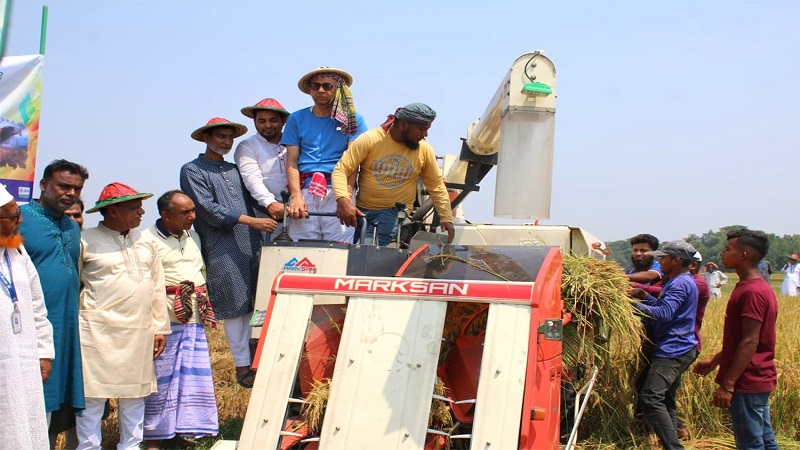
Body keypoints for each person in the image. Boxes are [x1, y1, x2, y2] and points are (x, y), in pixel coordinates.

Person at [180, 117, 277, 389]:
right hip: (221, 244)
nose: (225, 142)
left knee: (255, 303)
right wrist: (252, 221)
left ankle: (256, 360)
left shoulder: (235, 170)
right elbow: (208, 209)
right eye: (220, 137)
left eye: (228, 137)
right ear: (206, 139)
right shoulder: (193, 170)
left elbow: (254, 201)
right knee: (234, 307)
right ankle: (242, 366)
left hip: (251, 242)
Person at [76, 182, 171, 450]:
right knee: (93, 398)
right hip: (96, 331)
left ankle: (130, 447)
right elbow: (74, 285)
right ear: (113, 211)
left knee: (135, 396)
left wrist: (159, 327)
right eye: (133, 207)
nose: (141, 212)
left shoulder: (146, 242)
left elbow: (156, 286)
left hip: (138, 332)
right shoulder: (85, 240)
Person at [19, 159, 89, 447]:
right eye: (64, 186)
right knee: (28, 397)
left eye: (77, 188)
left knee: (57, 398)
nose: (71, 193)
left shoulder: (72, 227)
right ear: (44, 184)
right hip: (27, 328)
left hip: (65, 327)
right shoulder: (19, 219)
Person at [142, 191, 219, 449]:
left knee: (186, 377)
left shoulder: (193, 236)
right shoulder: (145, 240)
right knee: (161, 379)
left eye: (193, 210)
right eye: (185, 212)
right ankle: (153, 438)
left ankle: (177, 432)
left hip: (193, 316)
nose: (192, 216)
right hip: (164, 319)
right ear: (165, 215)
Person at [693, 229, 778, 450]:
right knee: (765, 441)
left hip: (747, 381)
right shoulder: (753, 288)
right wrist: (714, 361)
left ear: (744, 255)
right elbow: (742, 339)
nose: (722, 254)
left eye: (728, 249)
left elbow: (750, 341)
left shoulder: (752, 292)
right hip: (755, 379)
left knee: (750, 444)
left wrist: (728, 385)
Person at [332, 103, 455, 245]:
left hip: (392, 213)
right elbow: (341, 169)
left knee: (367, 249)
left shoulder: (424, 150)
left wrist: (446, 217)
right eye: (422, 129)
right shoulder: (371, 139)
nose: (425, 135)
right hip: (359, 212)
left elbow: (437, 186)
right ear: (403, 124)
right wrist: (343, 200)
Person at [282, 66, 368, 242]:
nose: (321, 90)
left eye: (328, 86)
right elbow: (291, 162)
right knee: (301, 249)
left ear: (338, 90)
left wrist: (347, 197)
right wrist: (296, 197)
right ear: (310, 90)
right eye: (316, 86)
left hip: (338, 189)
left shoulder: (353, 120)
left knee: (339, 248)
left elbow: (353, 163)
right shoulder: (296, 118)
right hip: (305, 188)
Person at [629, 240, 699, 450]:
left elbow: (664, 314)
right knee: (666, 397)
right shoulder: (676, 280)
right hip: (677, 347)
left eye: (663, 258)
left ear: (676, 261)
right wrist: (646, 296)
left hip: (674, 350)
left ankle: (673, 447)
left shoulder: (679, 283)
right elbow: (663, 306)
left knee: (651, 396)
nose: (660, 261)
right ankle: (672, 440)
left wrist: (633, 306)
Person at [0, 183, 55, 450]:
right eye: (12, 217)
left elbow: (36, 305)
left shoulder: (17, 251)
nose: (20, 220)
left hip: (23, 358)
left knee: (25, 425)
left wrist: (43, 351)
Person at [234, 98, 291, 238]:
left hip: (298, 212)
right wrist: (270, 203)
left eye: (273, 120)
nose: (268, 125)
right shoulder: (247, 146)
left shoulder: (293, 144)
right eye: (262, 121)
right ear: (254, 121)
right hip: (267, 214)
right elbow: (252, 179)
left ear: (283, 121)